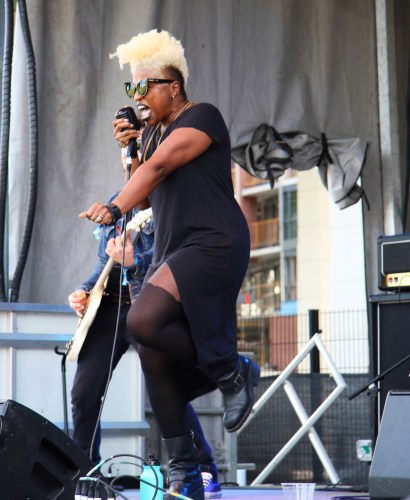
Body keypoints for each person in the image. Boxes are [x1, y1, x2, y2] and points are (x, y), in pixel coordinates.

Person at [80, 29, 260, 500]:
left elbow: (158, 169)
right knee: (153, 354)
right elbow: (145, 188)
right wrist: (130, 150)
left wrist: (114, 205)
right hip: (174, 245)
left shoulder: (202, 117)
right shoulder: (154, 135)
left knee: (142, 320)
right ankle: (185, 476)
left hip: (213, 241)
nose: (136, 96)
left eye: (144, 86)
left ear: (173, 87)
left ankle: (233, 370)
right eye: (131, 87)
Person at [70, 147, 222, 498]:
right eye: (126, 156)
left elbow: (174, 260)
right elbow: (104, 262)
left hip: (150, 309)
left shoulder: (173, 205)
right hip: (110, 308)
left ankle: (202, 469)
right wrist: (84, 289)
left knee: (169, 391)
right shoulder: (116, 203)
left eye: (137, 156)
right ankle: (87, 474)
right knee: (84, 393)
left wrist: (134, 261)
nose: (130, 163)